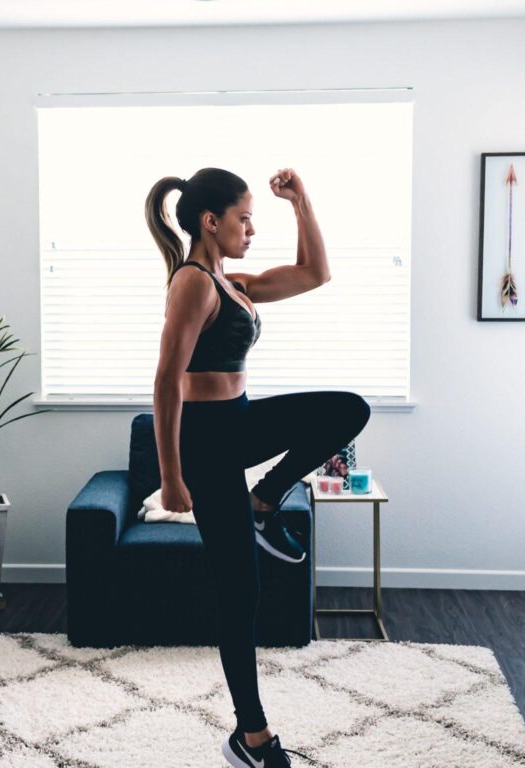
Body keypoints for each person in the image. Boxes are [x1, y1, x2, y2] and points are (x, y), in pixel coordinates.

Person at [144, 167, 371, 767]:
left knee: (347, 411)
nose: (251, 228)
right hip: (206, 442)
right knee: (239, 589)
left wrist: (303, 202)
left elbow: (314, 273)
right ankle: (251, 735)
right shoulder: (192, 283)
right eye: (244, 218)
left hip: (236, 423)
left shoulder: (230, 281)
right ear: (209, 221)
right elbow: (167, 380)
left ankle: (264, 501)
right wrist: (172, 477)